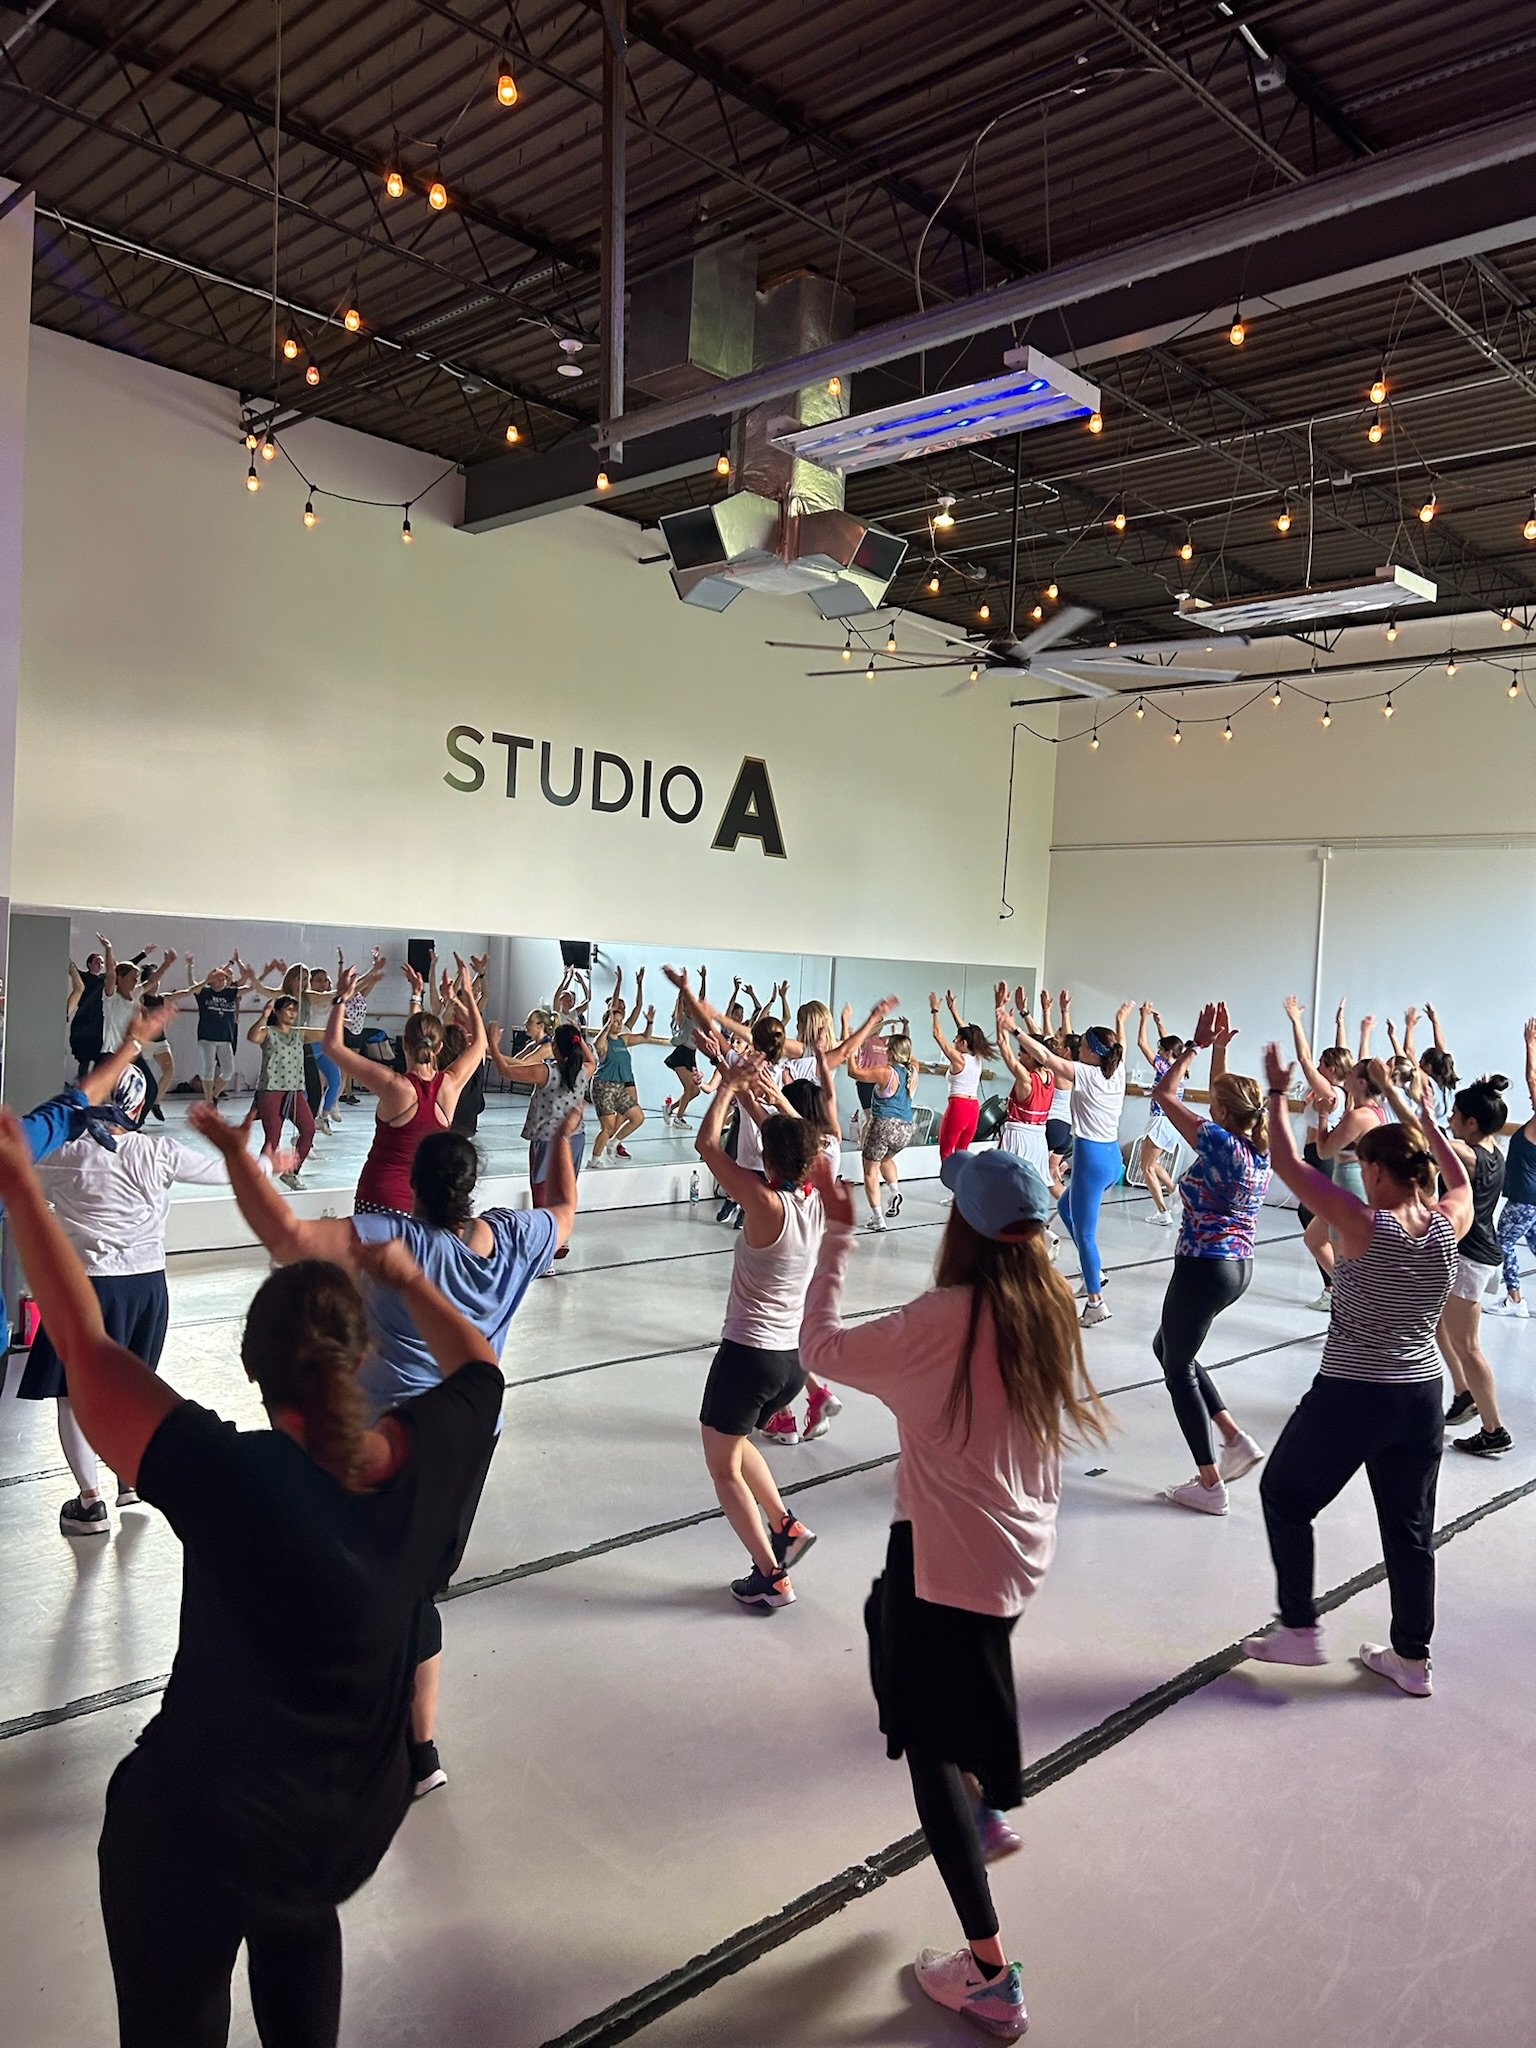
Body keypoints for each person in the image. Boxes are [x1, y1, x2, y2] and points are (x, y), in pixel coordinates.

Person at [0, 1107, 500, 2048]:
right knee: (299, 1925)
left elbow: (87, 1346)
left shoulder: (233, 1477)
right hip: (335, 1834)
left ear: (252, 1373)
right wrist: (407, 1274)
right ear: (359, 1359)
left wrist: (22, 1188)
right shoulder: (433, 1455)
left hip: (194, 1834)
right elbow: (480, 1368)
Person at [799, 1144, 1106, 2042]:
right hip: (1008, 1551)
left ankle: (987, 1973)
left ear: (962, 1230)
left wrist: (839, 1240)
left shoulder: (942, 1318)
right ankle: (985, 1793)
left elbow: (819, 1349)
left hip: (953, 1560)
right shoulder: (1046, 1304)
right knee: (885, 1622)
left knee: (923, 1742)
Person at [191, 1100, 579, 1798]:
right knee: (418, 1586)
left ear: (415, 1188)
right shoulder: (517, 1238)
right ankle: (419, 1748)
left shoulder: (393, 1241)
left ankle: (351, 1723)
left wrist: (232, 1154)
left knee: (362, 1579)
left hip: (382, 1442)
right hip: (466, 1443)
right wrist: (564, 1143)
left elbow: (284, 1235)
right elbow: (567, 1211)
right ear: (471, 1185)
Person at [1243, 1051, 1469, 1697]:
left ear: (1374, 1169)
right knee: (1410, 1529)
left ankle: (1297, 1628)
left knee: (1285, 1495)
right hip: (1420, 1396)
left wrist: (1281, 1091)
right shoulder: (1450, 1221)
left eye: (1366, 1167)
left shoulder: (1365, 1224)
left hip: (1352, 1394)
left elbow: (1288, 1166)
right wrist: (1423, 1116)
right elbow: (1458, 1177)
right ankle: (1411, 1659)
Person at [16, 1025, 242, 1536]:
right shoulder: (157, 1153)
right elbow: (225, 1170)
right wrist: (269, 1157)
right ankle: (129, 1478)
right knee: (130, 1387)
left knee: (74, 1396)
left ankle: (90, 1501)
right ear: (139, 1107)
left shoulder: (63, 1155)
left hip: (86, 1289)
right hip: (146, 1290)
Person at [691, 1033, 824, 1607]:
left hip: (748, 1356)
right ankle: (786, 1526)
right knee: (736, 1441)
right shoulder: (819, 1195)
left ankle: (771, 1575)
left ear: (766, 1160)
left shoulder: (764, 1203)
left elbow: (705, 1144)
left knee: (723, 1470)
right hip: (791, 1361)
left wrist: (725, 1085)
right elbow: (798, 1140)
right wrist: (743, 1079)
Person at [1145, 1005, 1272, 1513]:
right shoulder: (1255, 1147)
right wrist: (1220, 1050)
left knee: (1177, 1369)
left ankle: (1210, 1483)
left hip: (1203, 1266)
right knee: (1170, 1347)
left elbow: (1163, 1095)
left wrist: (1193, 1048)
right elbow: (1224, 1098)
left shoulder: (1221, 1142)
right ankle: (1232, 1435)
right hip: (1236, 1265)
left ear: (1220, 1114)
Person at [326, 961, 487, 1216]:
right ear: (439, 1049)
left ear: (404, 1045)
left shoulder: (393, 1085)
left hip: (379, 1195)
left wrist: (341, 999)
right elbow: (480, 1043)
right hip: (423, 1204)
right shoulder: (449, 1085)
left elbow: (333, 1046)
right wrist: (466, 992)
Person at [1014, 1003, 1133, 1327]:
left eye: (1081, 1047)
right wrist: (1120, 1020)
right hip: (1111, 1158)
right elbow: (1119, 1042)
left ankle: (1096, 1302)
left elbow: (1049, 1058)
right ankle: (1095, 1273)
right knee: (1066, 1208)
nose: (1077, 1050)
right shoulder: (1116, 1069)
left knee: (1085, 1232)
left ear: (1094, 1053)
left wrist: (1014, 1030)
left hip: (1091, 1158)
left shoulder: (1087, 1073)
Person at [1436, 1075, 1510, 1454]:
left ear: (1472, 1123)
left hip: (1471, 1258)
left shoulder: (1469, 1154)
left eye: (1455, 1114)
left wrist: (1410, 1102)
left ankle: (1493, 1429)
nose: (1449, 1118)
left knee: (1468, 1345)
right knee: (1439, 1328)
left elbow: (1431, 1142)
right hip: (1473, 1254)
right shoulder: (1493, 1150)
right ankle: (1464, 1393)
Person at [488, 1020, 595, 1229]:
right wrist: (579, 1038)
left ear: (554, 1048)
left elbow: (505, 1071)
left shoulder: (546, 1072)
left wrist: (492, 1044)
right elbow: (592, 1059)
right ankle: (561, 1234)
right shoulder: (584, 1071)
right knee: (565, 1187)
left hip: (547, 1139)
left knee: (542, 1190)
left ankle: (545, 1234)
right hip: (575, 1138)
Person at [1281, 996, 1353, 1300]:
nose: (1318, 1068)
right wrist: (1339, 1023)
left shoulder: (1331, 1090)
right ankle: (1334, 1284)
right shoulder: (1338, 1087)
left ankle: (1336, 1285)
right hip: (1317, 1157)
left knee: (1310, 1216)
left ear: (1332, 1069)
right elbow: (1341, 1055)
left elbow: (1305, 1059)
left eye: (1325, 1064)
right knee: (1311, 1217)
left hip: (1322, 1160)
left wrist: (1296, 1021)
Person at [247, 995, 326, 1189]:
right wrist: (264, 1016)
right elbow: (253, 1036)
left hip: (294, 1092)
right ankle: (258, 1180)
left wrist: (341, 1019)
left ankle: (291, 1172)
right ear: (278, 1011)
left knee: (308, 1129)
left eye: (294, 1009)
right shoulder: (268, 1032)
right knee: (273, 1138)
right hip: (271, 1091)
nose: (292, 1013)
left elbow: (324, 1033)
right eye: (288, 1009)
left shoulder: (300, 1034)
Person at [590, 971, 664, 1165]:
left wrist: (650, 1021)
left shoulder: (623, 1039)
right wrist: (619, 982)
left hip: (620, 1085)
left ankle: (614, 1143)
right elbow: (599, 1042)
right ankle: (595, 1159)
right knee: (607, 1126)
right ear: (607, 1022)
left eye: (619, 1021)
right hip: (603, 1085)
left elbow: (645, 1036)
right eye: (614, 1021)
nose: (618, 1023)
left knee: (637, 1117)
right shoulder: (603, 1042)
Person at [1489, 1016, 1536, 1320]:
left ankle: (1515, 1298)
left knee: (1502, 1243)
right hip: (1530, 1198)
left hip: (1523, 1199)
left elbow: (1532, 1077)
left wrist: (1530, 1045)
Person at [991, 996, 1054, 1182]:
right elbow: (1044, 1045)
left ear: (1032, 1057)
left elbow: (1003, 1045)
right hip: (1039, 1138)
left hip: (1019, 1136)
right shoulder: (1050, 1075)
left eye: (1023, 1052)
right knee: (1036, 1182)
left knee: (1009, 1183)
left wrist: (999, 1011)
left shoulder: (1026, 1079)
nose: (1019, 1054)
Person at [1135, 1002, 1186, 1226]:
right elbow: (1171, 1045)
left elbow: (1141, 1043)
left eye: (1161, 1051)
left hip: (1160, 1121)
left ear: (1166, 1054)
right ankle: (1175, 1192)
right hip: (1171, 1122)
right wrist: (1159, 1024)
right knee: (1153, 1163)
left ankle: (1163, 1211)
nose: (1158, 1053)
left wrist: (1144, 1017)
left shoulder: (1164, 1067)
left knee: (1146, 1167)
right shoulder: (1181, 1067)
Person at [929, 990, 990, 1161]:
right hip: (973, 1108)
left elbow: (937, 1035)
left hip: (959, 1107)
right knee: (962, 1152)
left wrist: (935, 1011)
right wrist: (953, 1009)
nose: (954, 1040)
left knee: (946, 1153)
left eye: (956, 1038)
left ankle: (954, 1186)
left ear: (963, 1043)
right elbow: (966, 1033)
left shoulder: (959, 1059)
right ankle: (961, 1187)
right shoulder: (977, 1056)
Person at [662, 964, 709, 1128]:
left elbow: (702, 999)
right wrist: (682, 987)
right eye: (688, 1005)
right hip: (681, 1055)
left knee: (695, 1090)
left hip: (691, 1055)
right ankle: (678, 1118)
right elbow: (679, 1006)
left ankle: (671, 1108)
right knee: (689, 1088)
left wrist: (703, 979)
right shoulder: (682, 1020)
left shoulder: (696, 1019)